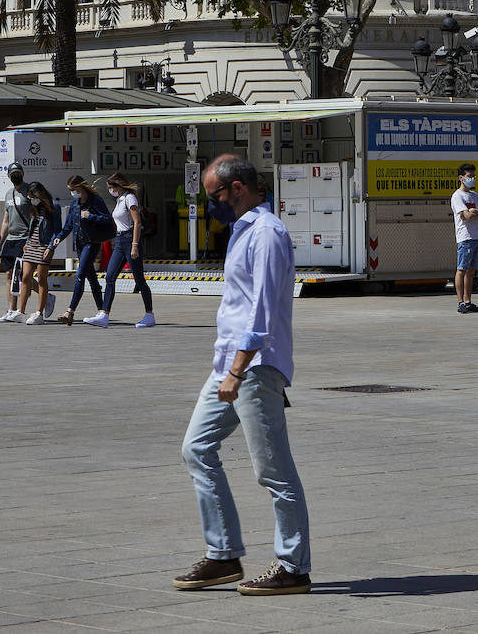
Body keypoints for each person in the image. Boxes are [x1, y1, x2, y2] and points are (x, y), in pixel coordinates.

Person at [174, 154, 311, 596]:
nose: (212, 204)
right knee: (196, 447)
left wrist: (237, 370)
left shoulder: (267, 234)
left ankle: (293, 566)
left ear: (237, 189)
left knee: (274, 471)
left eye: (214, 195)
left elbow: (263, 311)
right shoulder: (243, 230)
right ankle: (223, 555)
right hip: (229, 366)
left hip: (252, 368)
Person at [84, 173, 155, 328]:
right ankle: (104, 314)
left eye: (111, 187)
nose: (110, 190)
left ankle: (149, 314)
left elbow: (137, 222)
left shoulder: (130, 198)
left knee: (139, 279)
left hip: (130, 240)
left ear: (119, 186)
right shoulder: (119, 200)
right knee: (110, 276)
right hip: (120, 241)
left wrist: (135, 245)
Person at [49, 175, 113, 324]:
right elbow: (68, 226)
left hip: (91, 243)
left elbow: (107, 219)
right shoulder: (75, 204)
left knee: (80, 274)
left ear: (81, 187)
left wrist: (91, 216)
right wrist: (58, 239)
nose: (72, 193)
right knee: (91, 278)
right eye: (70, 190)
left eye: (73, 190)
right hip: (80, 244)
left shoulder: (95, 201)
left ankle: (70, 311)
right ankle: (102, 311)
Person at [0, 163, 34, 323]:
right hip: (10, 240)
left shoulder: (30, 191)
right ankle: (11, 309)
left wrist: (31, 239)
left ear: (23, 173)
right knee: (9, 275)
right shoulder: (9, 193)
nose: (15, 175)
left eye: (18, 172)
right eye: (13, 173)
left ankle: (22, 308)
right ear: (9, 176)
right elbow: (5, 220)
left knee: (23, 275)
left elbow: (35, 216)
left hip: (24, 239)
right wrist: (0, 242)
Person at [16, 182, 59, 325]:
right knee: (25, 277)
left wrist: (51, 247)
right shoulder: (35, 208)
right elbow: (32, 227)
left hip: (44, 246)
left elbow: (57, 231)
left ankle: (39, 313)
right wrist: (27, 242)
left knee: (41, 278)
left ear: (39, 194)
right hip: (31, 245)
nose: (31, 199)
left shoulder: (54, 207)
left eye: (32, 196)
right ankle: (20, 312)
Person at [451, 162, 478, 314]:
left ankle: (468, 301)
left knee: (471, 271)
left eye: (473, 176)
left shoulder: (475, 196)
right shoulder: (457, 196)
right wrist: (473, 213)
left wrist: (474, 210)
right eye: (469, 176)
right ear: (461, 178)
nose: (472, 178)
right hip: (465, 237)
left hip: (477, 236)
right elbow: (466, 215)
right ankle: (460, 302)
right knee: (462, 269)